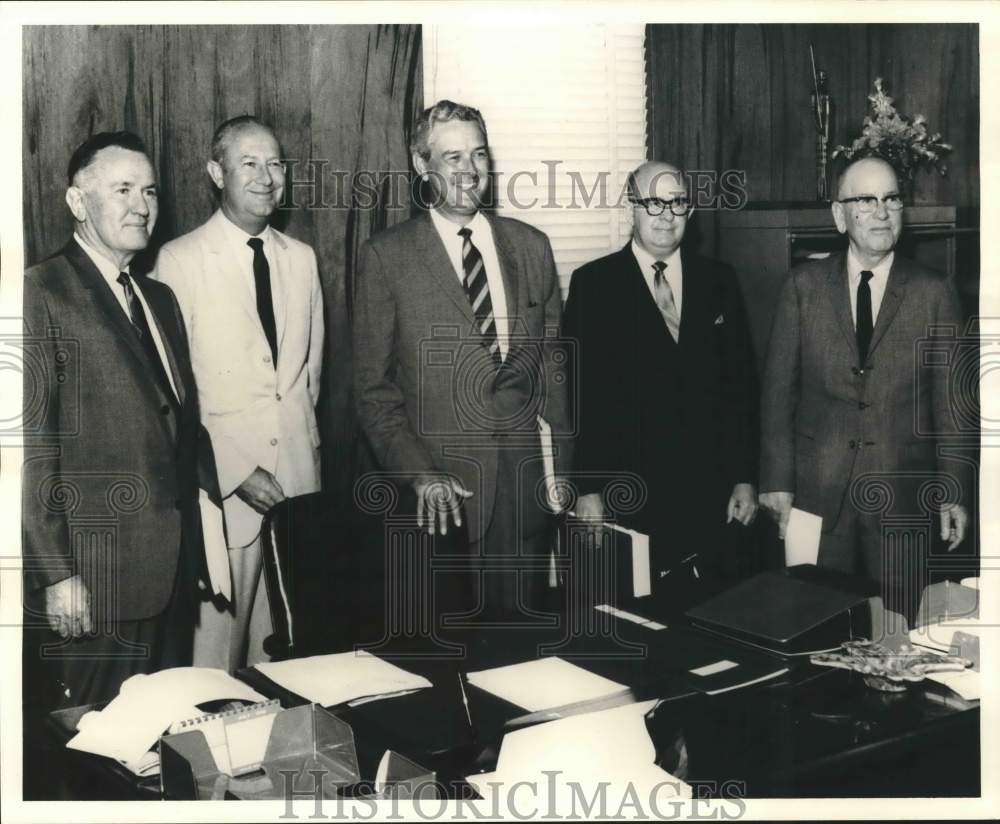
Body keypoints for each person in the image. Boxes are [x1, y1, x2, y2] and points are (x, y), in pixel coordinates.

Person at [22, 131, 224, 706]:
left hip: (169, 577)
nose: (142, 205)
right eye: (123, 189)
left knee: (161, 747)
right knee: (91, 756)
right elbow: (28, 452)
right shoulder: (39, 291)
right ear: (77, 202)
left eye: (151, 190)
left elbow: (176, 428)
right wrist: (56, 575)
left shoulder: (159, 299)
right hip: (92, 584)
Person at [353, 99, 572, 619]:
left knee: (528, 656)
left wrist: (561, 476)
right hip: (442, 500)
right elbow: (372, 391)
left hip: (526, 496)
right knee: (453, 661)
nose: (469, 170)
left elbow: (554, 373)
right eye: (452, 157)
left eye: (478, 154)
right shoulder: (387, 257)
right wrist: (420, 475)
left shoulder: (531, 246)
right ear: (421, 165)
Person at [759, 156, 970, 612]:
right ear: (840, 215)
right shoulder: (803, 287)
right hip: (816, 496)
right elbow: (778, 392)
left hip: (902, 501)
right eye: (866, 200)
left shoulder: (935, 292)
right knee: (814, 624)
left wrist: (954, 489)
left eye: (891, 198)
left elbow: (951, 404)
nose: (881, 211)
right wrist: (776, 480)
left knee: (897, 635)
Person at [152, 116, 324, 670]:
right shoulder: (178, 261)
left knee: (293, 665)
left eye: (275, 163)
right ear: (215, 173)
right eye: (248, 163)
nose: (266, 177)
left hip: (297, 495)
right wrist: (233, 471)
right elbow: (175, 398)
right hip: (224, 496)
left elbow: (307, 381)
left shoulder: (302, 259)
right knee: (217, 668)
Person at [562, 161, 758, 600]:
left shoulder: (720, 281)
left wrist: (745, 477)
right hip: (627, 493)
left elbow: (741, 388)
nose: (666, 214)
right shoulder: (593, 285)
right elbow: (579, 398)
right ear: (631, 208)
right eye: (653, 202)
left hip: (708, 494)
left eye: (677, 202)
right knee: (638, 624)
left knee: (709, 616)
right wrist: (587, 488)